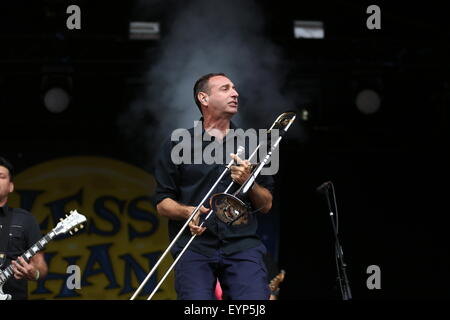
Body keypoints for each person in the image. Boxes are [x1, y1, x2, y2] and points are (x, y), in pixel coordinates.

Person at [154, 73, 275, 300]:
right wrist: (187, 212)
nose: (235, 93)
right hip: (194, 247)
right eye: (225, 88)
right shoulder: (176, 144)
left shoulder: (254, 144)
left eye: (235, 88)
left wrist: (249, 181)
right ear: (204, 98)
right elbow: (162, 204)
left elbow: (267, 204)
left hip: (242, 244)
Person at [0, 156, 48, 300]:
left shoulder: (25, 219)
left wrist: (35, 273)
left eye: (1, 176)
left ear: (11, 186)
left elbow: (40, 265)